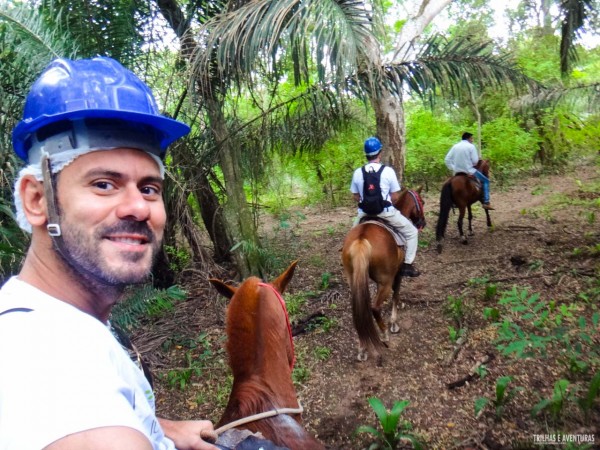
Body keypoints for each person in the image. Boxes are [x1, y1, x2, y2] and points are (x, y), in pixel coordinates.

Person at [0, 57, 218, 450]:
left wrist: (158, 428)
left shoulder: (52, 316)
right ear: (37, 200)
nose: (138, 207)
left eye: (150, 188)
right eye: (103, 184)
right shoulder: (39, 353)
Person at [350, 136, 420, 277]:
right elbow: (394, 196)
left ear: (366, 154)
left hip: (364, 213)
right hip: (385, 213)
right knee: (412, 232)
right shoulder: (388, 171)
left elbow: (356, 196)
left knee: (350, 237)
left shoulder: (358, 172)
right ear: (380, 153)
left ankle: (347, 258)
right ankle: (407, 265)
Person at [445, 132, 494, 210]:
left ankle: (453, 202)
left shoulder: (455, 146)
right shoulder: (471, 146)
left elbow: (447, 159)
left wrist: (453, 168)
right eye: (471, 138)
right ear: (468, 138)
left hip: (457, 172)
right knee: (486, 181)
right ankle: (486, 202)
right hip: (470, 171)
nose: (472, 140)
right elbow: (475, 161)